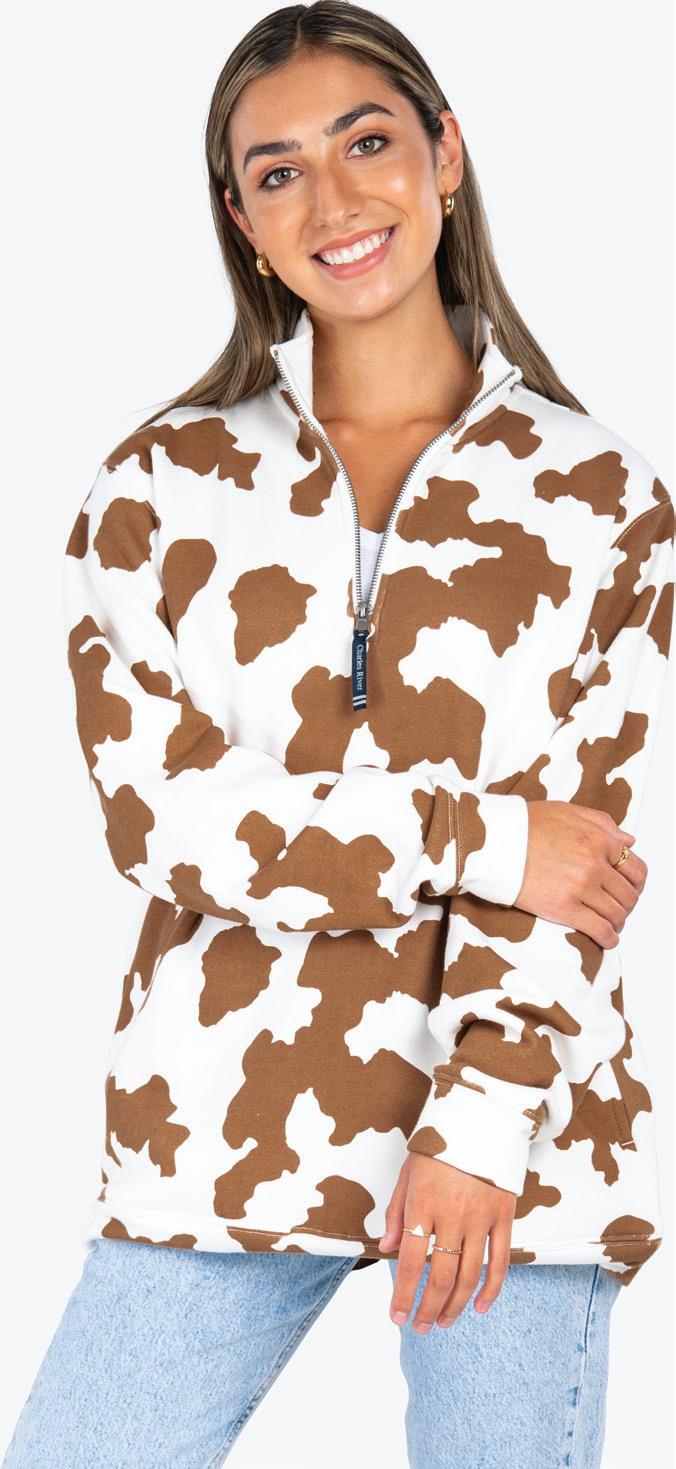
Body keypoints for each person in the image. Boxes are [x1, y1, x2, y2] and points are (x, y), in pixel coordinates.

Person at [3, 4, 673, 1467]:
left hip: (524, 1140)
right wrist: (481, 835)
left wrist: (478, 1128)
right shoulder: (156, 489)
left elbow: (589, 864)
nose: (334, 200)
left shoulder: (600, 498)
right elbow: (165, 821)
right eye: (279, 171)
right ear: (240, 220)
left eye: (368, 143)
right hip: (219, 1120)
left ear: (446, 156)